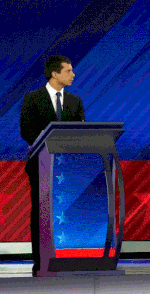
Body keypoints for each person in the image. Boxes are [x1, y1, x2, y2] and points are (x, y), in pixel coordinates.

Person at [20, 55, 85, 276]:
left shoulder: (75, 101)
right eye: (68, 71)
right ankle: (41, 262)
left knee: (68, 211)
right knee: (41, 212)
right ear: (54, 74)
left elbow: (82, 131)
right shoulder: (33, 98)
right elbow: (26, 130)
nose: (73, 74)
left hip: (68, 169)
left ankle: (68, 258)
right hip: (42, 165)